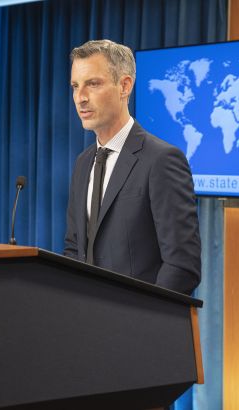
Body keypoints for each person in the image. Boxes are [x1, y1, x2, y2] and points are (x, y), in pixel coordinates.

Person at [64, 39, 201, 295]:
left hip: (140, 317)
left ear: (124, 86)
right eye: (75, 86)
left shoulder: (162, 160)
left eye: (93, 84)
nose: (80, 98)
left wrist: (139, 315)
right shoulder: (83, 163)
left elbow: (182, 266)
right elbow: (74, 248)